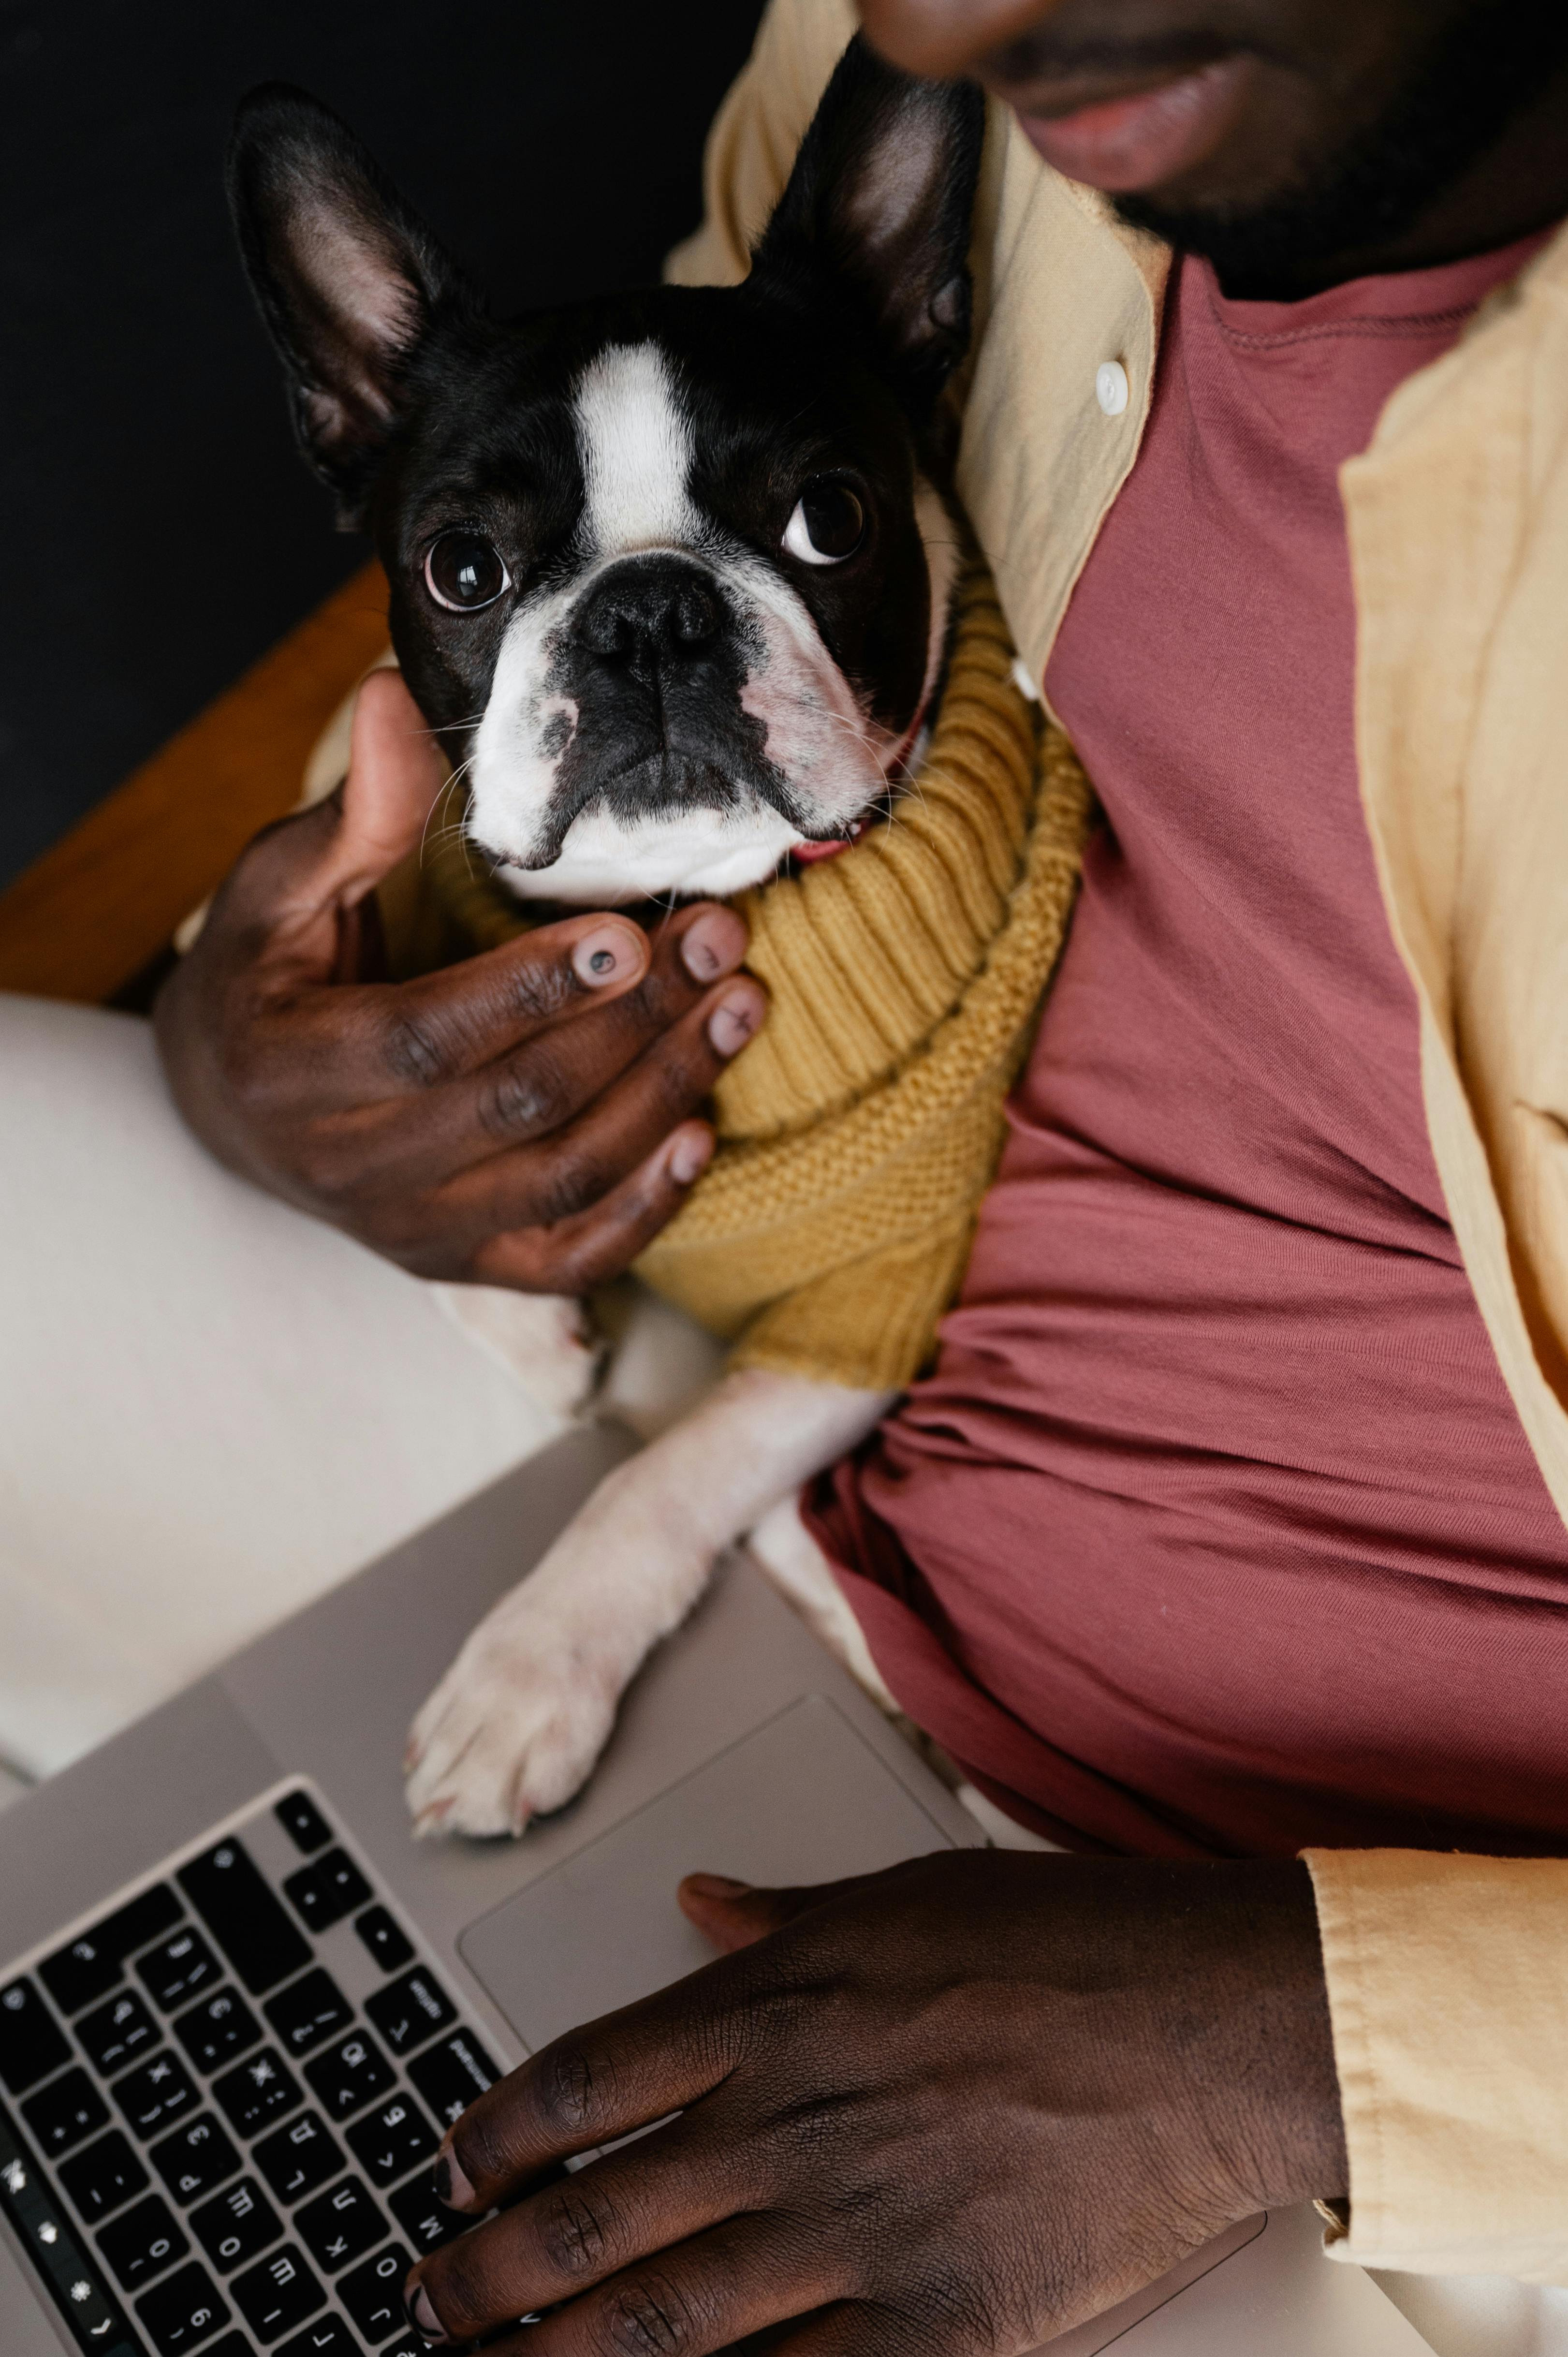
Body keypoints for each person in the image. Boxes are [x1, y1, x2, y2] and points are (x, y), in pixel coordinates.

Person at [5, 0, 1568, 2351]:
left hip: (1304, 1995)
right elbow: (619, 435)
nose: (930, 14)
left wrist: (1301, 2047)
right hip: (720, 1409)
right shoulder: (974, 70)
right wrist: (253, 1048)